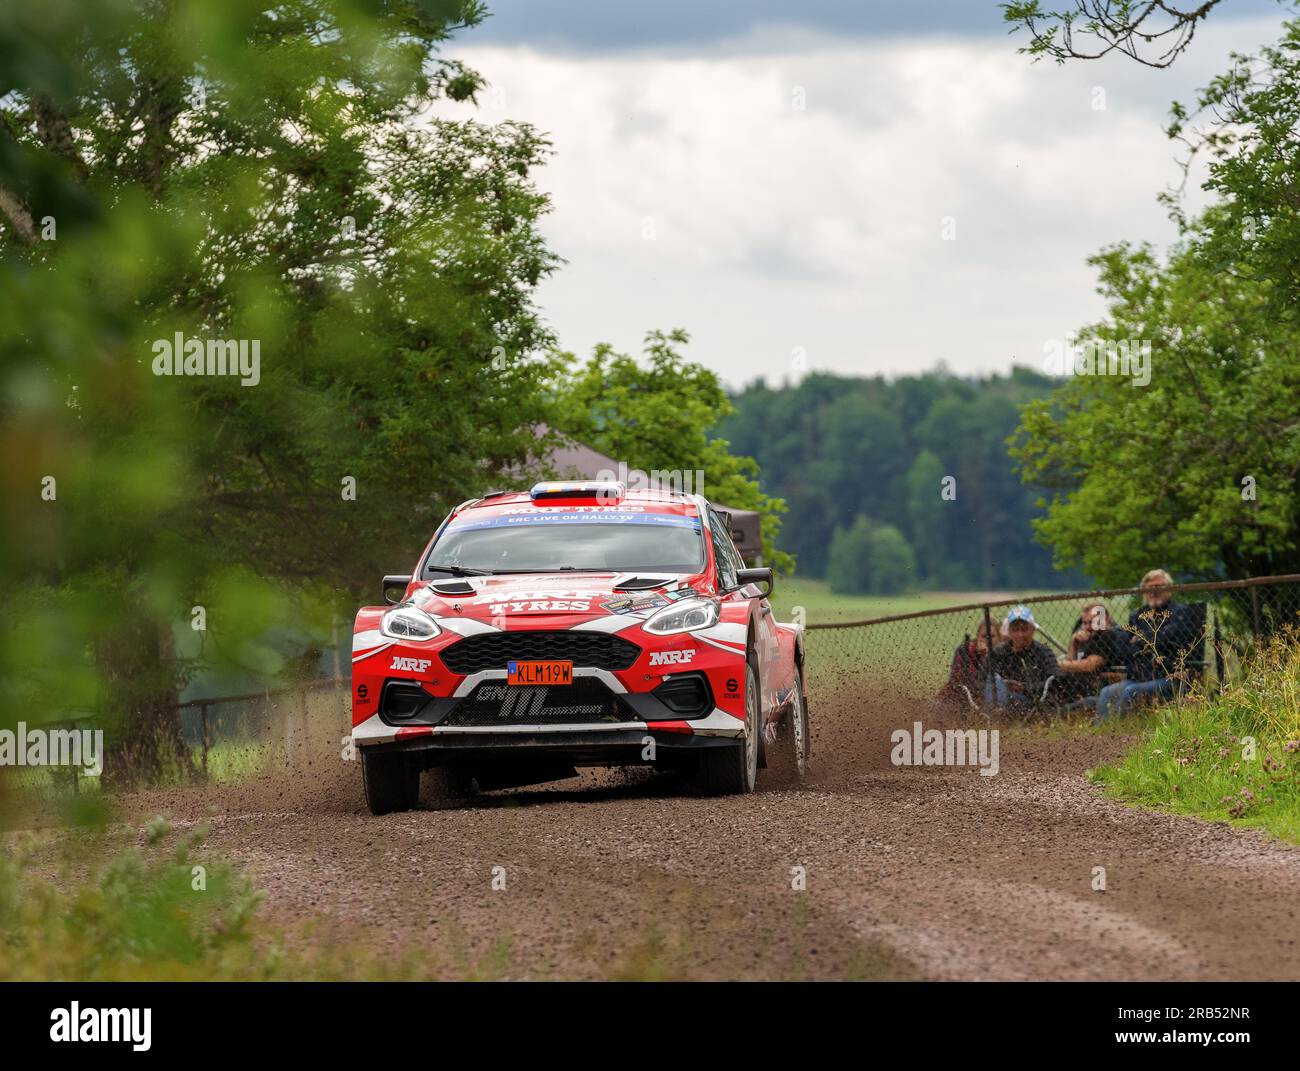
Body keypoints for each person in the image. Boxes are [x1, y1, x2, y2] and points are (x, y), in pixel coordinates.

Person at [1095, 570, 1200, 722]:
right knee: (1106, 692)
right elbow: (1123, 649)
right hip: (1139, 677)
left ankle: (1114, 727)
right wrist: (1146, 642)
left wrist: (1140, 640)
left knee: (1131, 691)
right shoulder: (1137, 615)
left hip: (1169, 677)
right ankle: (1104, 727)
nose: (1153, 591)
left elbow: (1170, 638)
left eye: (1158, 586)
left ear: (1169, 588)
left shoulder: (1180, 613)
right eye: (1148, 588)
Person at [1053, 602, 1129, 707]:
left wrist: (1057, 664)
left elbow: (1088, 666)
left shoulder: (1107, 635)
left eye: (1092, 622)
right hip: (1086, 689)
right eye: (1085, 623)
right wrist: (1074, 643)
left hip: (1103, 691)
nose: (1088, 627)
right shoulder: (1092, 638)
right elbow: (1071, 663)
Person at [987, 605, 1059, 711]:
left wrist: (1025, 688)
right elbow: (982, 679)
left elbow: (1055, 680)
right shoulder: (999, 652)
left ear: (1032, 630)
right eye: (1015, 630)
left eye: (1024, 629)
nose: (1020, 634)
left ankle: (997, 718)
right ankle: (996, 717)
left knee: (1011, 699)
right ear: (1009, 632)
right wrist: (1003, 685)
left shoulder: (1043, 651)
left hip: (1031, 700)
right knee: (994, 679)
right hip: (999, 696)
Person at [935, 620, 995, 709]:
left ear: (999, 638)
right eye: (984, 636)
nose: (988, 640)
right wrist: (980, 657)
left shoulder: (1003, 654)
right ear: (977, 637)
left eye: (992, 636)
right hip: (954, 700)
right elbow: (959, 681)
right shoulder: (964, 650)